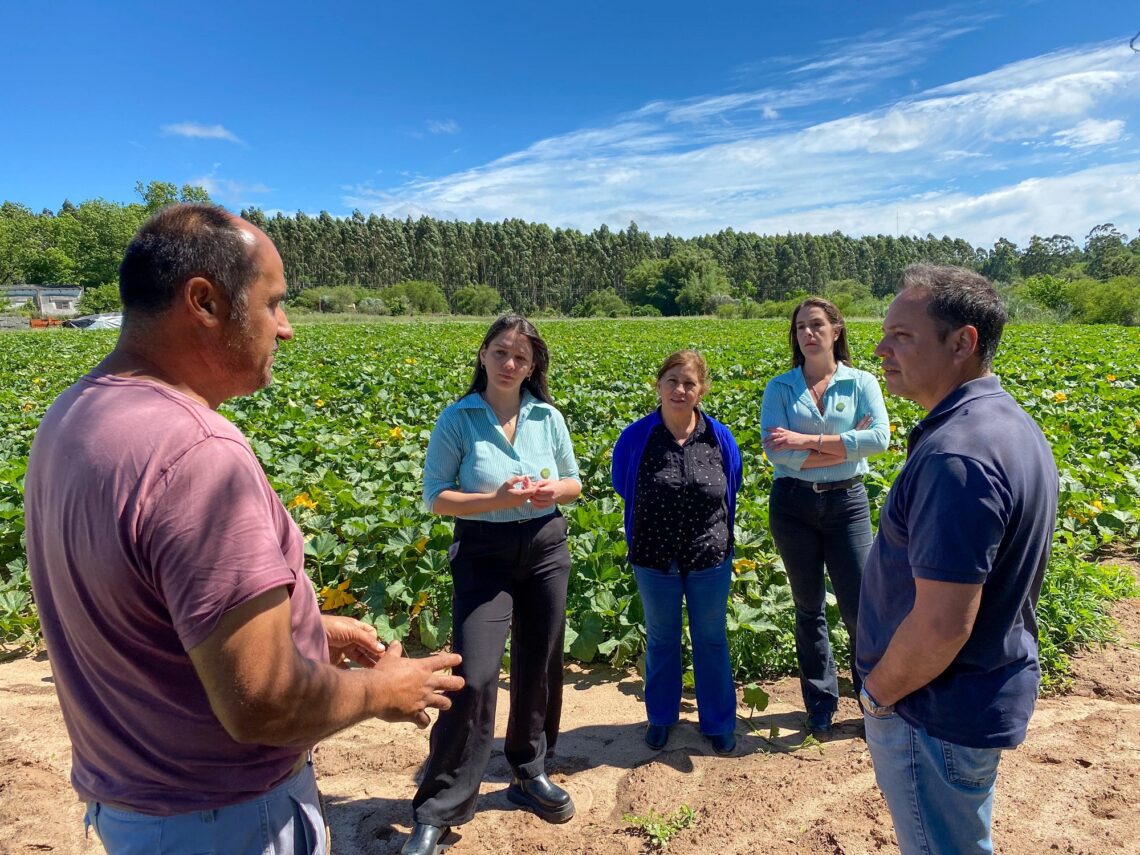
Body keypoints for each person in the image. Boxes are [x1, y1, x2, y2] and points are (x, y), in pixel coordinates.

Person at [24, 204, 463, 855]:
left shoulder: (74, 414)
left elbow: (143, 603)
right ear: (203, 300)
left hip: (135, 806)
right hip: (226, 821)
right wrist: (381, 689)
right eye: (273, 303)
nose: (285, 330)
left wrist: (306, 624)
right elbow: (262, 704)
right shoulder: (197, 451)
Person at [857, 265, 1059, 854]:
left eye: (903, 335)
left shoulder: (959, 456)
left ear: (963, 342)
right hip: (966, 700)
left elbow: (943, 625)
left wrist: (878, 694)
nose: (880, 348)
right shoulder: (1007, 424)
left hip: (931, 712)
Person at [404, 315, 582, 855]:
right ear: (483, 354)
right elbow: (435, 496)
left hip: (546, 546)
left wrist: (554, 489)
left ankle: (529, 771)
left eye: (522, 358)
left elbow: (574, 482)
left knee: (541, 663)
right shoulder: (457, 419)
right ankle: (440, 805)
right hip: (484, 552)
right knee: (475, 676)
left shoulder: (546, 416)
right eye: (501, 352)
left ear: (533, 367)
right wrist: (498, 499)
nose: (510, 364)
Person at [760, 298, 889, 733]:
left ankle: (872, 698)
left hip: (846, 504)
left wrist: (803, 440)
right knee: (808, 606)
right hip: (792, 505)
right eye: (800, 327)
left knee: (859, 607)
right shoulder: (780, 387)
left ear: (836, 330)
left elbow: (880, 440)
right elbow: (775, 451)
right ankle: (820, 702)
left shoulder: (861, 382)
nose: (808, 334)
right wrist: (839, 446)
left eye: (816, 325)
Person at [612, 350, 743, 755]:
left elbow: (731, 485)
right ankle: (661, 718)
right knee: (662, 639)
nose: (679, 390)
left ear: (701, 390)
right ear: (659, 385)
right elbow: (623, 483)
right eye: (672, 381)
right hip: (654, 557)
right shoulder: (637, 437)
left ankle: (718, 721)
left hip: (708, 556)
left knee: (711, 639)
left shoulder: (719, 437)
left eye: (689, 383)